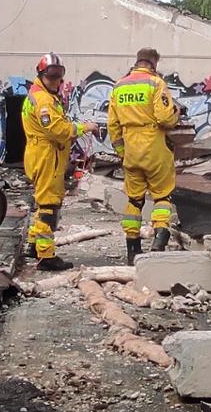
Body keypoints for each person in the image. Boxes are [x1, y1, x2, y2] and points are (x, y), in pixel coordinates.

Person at [23, 53, 98, 272]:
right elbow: (57, 130)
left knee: (42, 201)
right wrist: (85, 128)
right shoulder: (44, 101)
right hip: (48, 156)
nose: (56, 80)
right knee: (49, 205)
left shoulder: (38, 94)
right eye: (52, 76)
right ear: (41, 74)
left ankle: (33, 244)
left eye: (59, 75)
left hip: (41, 153)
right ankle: (46, 256)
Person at [107, 47, 180, 261]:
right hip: (154, 147)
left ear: (137, 61)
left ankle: (132, 249)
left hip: (131, 149)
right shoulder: (156, 83)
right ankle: (160, 238)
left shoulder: (119, 86)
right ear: (154, 63)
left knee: (134, 200)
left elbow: (113, 124)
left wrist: (122, 152)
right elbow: (165, 118)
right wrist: (175, 114)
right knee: (162, 195)